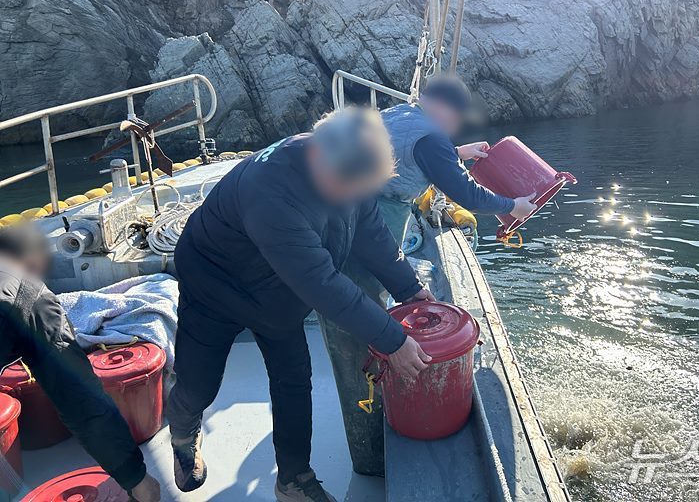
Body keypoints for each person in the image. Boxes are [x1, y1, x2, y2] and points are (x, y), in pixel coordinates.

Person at [167, 107, 434, 502]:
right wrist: (393, 340)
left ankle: (293, 479)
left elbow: (371, 231)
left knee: (294, 381)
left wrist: (409, 288)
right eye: (347, 186)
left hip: (278, 294)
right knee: (198, 383)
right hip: (215, 284)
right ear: (315, 157)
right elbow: (322, 284)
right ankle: (183, 433)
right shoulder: (271, 195)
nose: (351, 196)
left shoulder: (346, 166)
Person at [321, 75, 539, 476]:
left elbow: (414, 152)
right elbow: (466, 193)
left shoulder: (403, 114)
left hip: (344, 209)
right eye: (456, 117)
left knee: (362, 286)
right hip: (374, 215)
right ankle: (371, 420)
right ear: (444, 108)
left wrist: (460, 151)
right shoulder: (432, 139)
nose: (456, 125)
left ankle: (370, 354)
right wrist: (514, 204)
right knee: (363, 298)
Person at [0, 224, 160, 501]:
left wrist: (134, 477)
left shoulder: (24, 304)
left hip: (23, 300)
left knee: (77, 392)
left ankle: (138, 483)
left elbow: (81, 400)